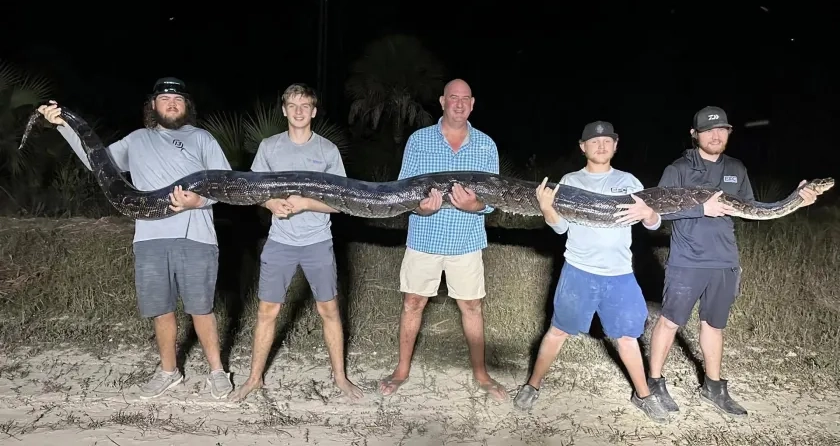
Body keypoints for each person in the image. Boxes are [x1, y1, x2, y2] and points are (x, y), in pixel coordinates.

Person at [37, 77, 234, 399]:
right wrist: (63, 126)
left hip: (196, 236)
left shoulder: (201, 138)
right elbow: (94, 162)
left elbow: (223, 183)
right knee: (161, 309)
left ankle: (216, 372)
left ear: (187, 107)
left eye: (178, 99)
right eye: (164, 98)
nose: (171, 103)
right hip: (150, 238)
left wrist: (199, 201)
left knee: (201, 308)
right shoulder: (137, 139)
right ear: (152, 106)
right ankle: (169, 372)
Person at [646, 106, 820, 416]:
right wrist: (702, 209)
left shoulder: (737, 168)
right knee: (670, 321)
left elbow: (753, 211)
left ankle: (713, 388)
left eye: (722, 129)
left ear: (729, 132)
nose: (716, 135)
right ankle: (654, 383)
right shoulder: (678, 169)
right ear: (694, 134)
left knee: (714, 325)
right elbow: (659, 213)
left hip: (725, 261)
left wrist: (795, 199)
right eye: (709, 130)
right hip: (687, 261)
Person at [512, 121, 670, 423]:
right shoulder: (570, 181)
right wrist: (547, 209)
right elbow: (561, 227)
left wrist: (649, 213)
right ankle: (533, 385)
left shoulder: (630, 182)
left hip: (620, 274)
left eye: (607, 140)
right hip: (579, 272)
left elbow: (652, 224)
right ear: (583, 147)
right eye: (594, 141)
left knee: (627, 337)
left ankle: (643, 395)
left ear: (616, 144)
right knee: (557, 331)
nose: (601, 145)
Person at [229, 83, 363, 403]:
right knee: (267, 311)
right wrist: (271, 203)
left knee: (329, 309)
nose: (299, 111)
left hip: (318, 241)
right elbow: (254, 191)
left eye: (305, 105)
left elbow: (341, 202)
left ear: (314, 111)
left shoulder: (327, 151)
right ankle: (254, 378)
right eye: (293, 104)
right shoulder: (269, 146)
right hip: (280, 242)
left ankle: (340, 378)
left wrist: (306, 203)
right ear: (284, 109)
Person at [378, 78, 508, 402]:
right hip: (424, 238)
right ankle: (402, 370)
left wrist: (474, 205)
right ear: (442, 101)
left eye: (465, 98)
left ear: (473, 104)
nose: (459, 104)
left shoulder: (485, 145)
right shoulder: (419, 140)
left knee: (472, 306)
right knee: (412, 303)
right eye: (453, 97)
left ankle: (481, 373)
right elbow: (402, 192)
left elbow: (492, 199)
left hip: (466, 240)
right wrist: (420, 209)